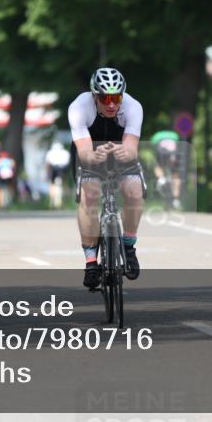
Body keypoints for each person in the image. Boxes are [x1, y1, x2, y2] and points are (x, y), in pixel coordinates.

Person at [68, 67, 144, 289]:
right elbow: (83, 152)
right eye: (105, 98)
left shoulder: (133, 107)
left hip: (119, 150)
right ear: (94, 96)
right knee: (89, 196)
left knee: (134, 191)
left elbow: (131, 147)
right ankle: (91, 261)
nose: (111, 104)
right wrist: (93, 156)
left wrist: (126, 153)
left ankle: (128, 247)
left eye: (116, 98)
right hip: (89, 151)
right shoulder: (78, 108)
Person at [150, 129, 183, 210]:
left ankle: (162, 178)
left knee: (157, 166)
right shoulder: (174, 135)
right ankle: (176, 200)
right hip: (173, 153)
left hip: (161, 152)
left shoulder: (157, 135)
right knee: (175, 175)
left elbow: (153, 146)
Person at [45, 142, 71, 209]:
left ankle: (52, 200)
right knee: (64, 183)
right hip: (63, 169)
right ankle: (64, 199)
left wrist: (47, 174)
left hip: (54, 169)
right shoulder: (66, 153)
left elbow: (48, 165)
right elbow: (68, 163)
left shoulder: (50, 152)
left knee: (52, 184)